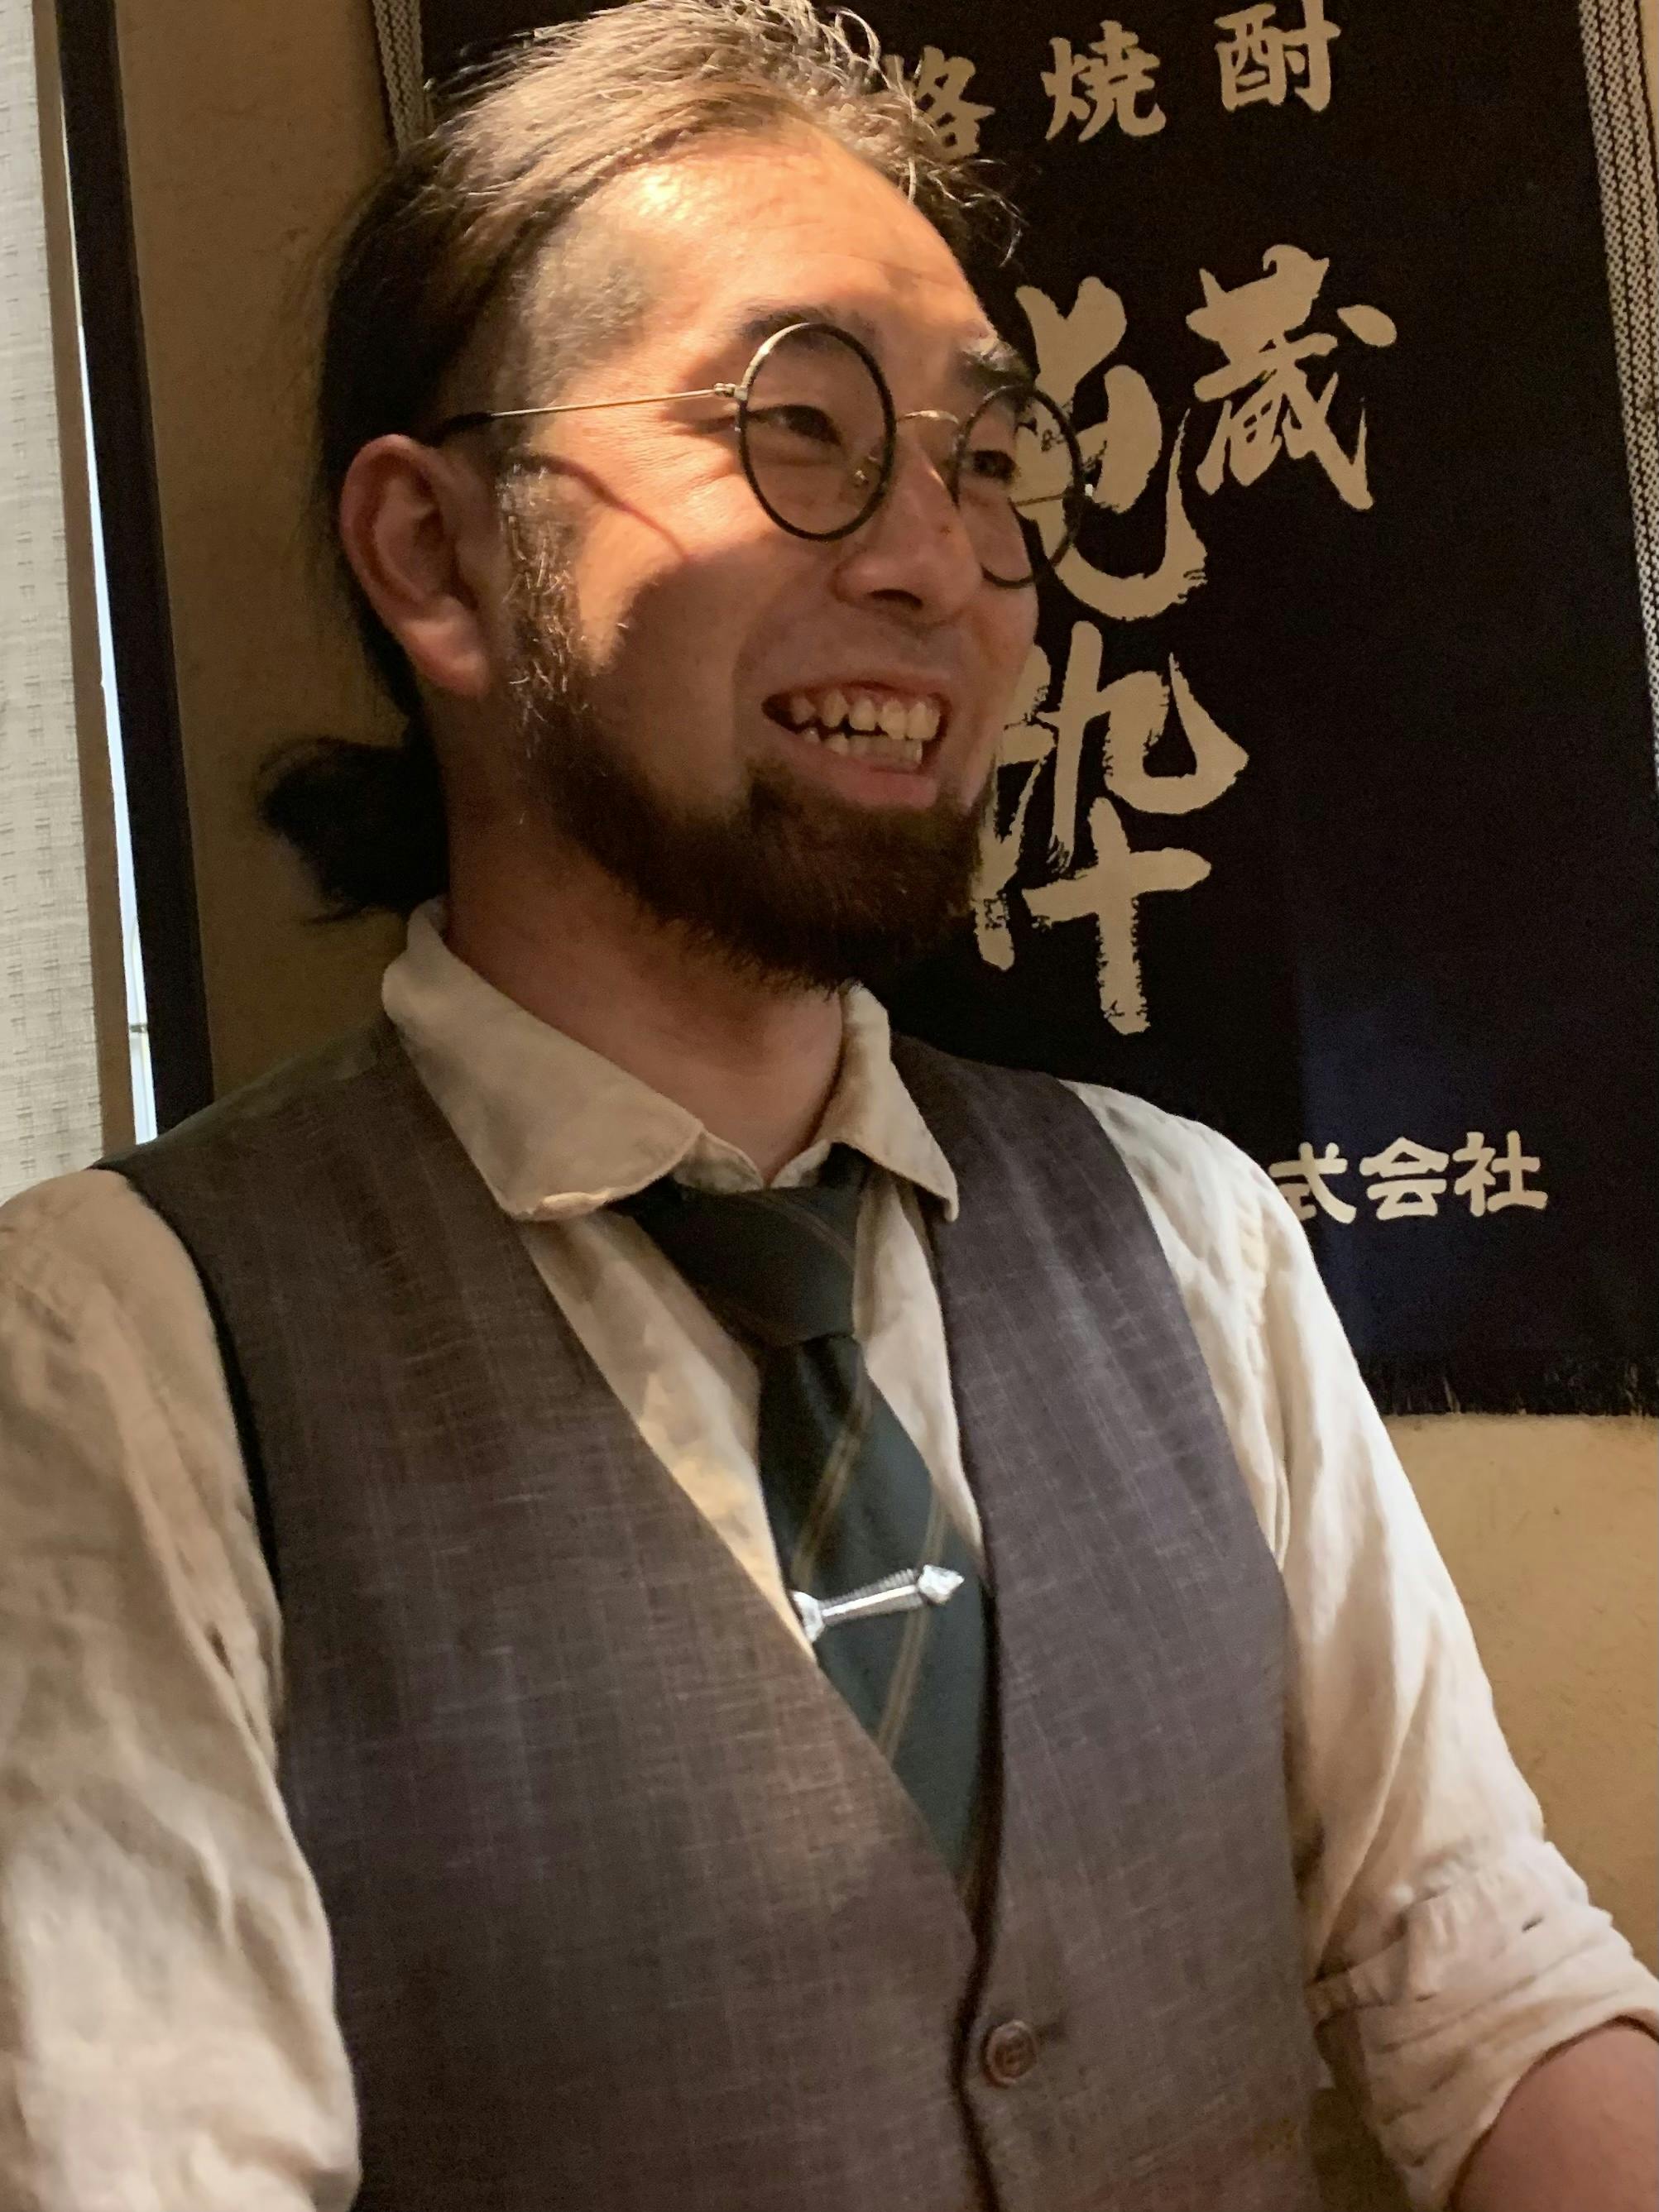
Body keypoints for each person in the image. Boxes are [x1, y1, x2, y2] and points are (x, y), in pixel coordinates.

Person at [0, 3, 1653, 2206]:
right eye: (800, 428)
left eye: (987, 462)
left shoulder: (1187, 1230)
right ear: (438, 557)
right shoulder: (125, 1351)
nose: (936, 561)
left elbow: (1477, 1973)